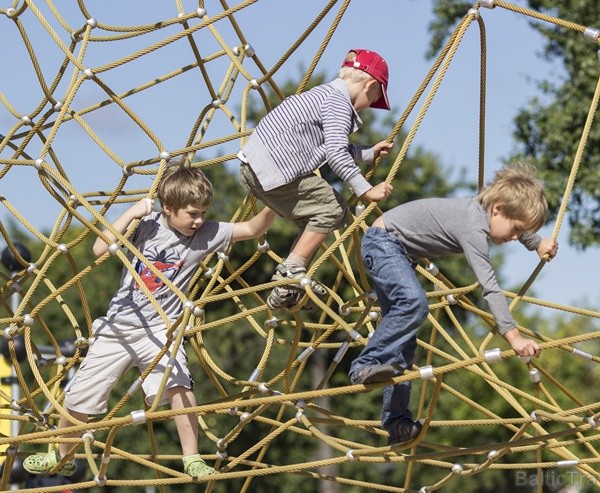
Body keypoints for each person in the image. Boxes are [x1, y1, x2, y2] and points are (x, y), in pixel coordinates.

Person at [23, 160, 276, 478]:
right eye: (192, 213)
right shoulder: (147, 226)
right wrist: (132, 212)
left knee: (180, 385)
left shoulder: (208, 233)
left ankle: (192, 457)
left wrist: (276, 200)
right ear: (168, 207)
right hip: (120, 326)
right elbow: (100, 248)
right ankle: (62, 454)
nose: (199, 220)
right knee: (80, 393)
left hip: (161, 329)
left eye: (203, 213)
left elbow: (253, 228)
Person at [348, 161, 559, 445]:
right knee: (414, 303)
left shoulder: (484, 210)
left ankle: (396, 423)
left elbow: (513, 215)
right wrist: (514, 337)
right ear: (497, 210)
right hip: (383, 244)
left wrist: (536, 242)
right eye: (516, 230)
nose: (514, 238)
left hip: (396, 252)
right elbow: (490, 287)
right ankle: (365, 363)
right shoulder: (473, 227)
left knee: (404, 344)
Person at [237, 48, 394, 311]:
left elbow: (327, 145)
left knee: (312, 218)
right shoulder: (339, 104)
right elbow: (335, 152)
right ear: (370, 86)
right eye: (374, 99)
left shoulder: (324, 94)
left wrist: (369, 152)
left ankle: (287, 285)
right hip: (277, 170)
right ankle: (290, 272)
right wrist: (366, 190)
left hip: (254, 168)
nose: (369, 108)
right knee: (333, 208)